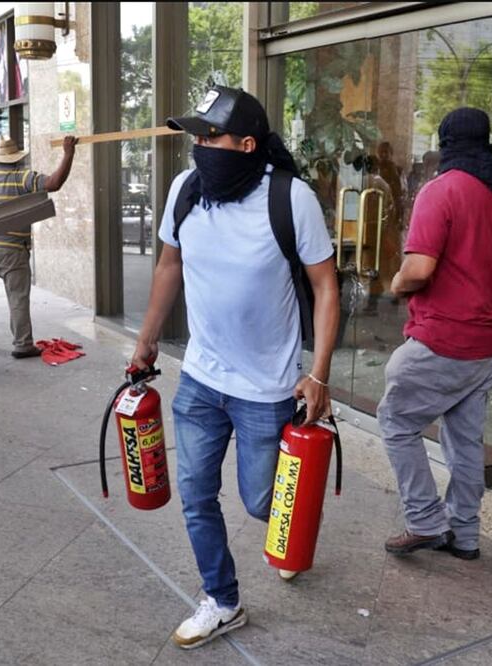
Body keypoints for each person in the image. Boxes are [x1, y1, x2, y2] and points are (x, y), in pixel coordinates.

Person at [130, 86, 338, 649]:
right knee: (196, 494)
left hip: (266, 386)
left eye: (210, 135)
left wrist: (317, 372)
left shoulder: (290, 199)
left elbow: (324, 287)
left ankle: (293, 526)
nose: (199, 145)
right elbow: (168, 266)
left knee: (261, 500)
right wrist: (146, 340)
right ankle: (222, 600)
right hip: (200, 377)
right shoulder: (185, 190)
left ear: (247, 144)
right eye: (195, 134)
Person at [377, 108, 492, 561]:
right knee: (464, 441)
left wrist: (395, 282)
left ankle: (425, 520)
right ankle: (464, 534)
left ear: (447, 145)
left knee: (396, 422)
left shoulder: (440, 191)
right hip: (490, 348)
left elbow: (419, 268)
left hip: (444, 341)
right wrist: (480, 264)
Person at [0, 134, 77, 358]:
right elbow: (54, 183)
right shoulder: (23, 177)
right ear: (16, 158)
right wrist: (68, 154)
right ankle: (22, 344)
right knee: (17, 297)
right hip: (13, 250)